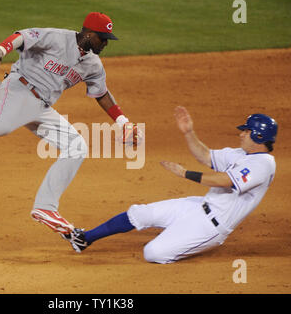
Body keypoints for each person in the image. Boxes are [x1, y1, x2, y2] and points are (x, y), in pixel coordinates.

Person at [0, 12, 140, 236]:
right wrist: (2, 49)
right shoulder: (57, 38)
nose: (105, 43)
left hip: (42, 107)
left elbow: (101, 93)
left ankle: (45, 207)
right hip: (18, 88)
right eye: (102, 38)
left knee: (77, 147)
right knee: (3, 125)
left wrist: (122, 121)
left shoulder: (93, 64)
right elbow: (23, 36)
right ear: (88, 33)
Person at [65, 106, 278, 264]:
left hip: (211, 226)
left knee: (153, 253)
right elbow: (206, 156)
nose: (241, 134)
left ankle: (182, 237)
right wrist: (188, 133)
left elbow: (225, 180)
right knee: (140, 213)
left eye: (247, 132)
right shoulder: (240, 154)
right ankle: (84, 239)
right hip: (198, 205)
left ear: (259, 136)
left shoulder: (263, 164)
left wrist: (184, 173)